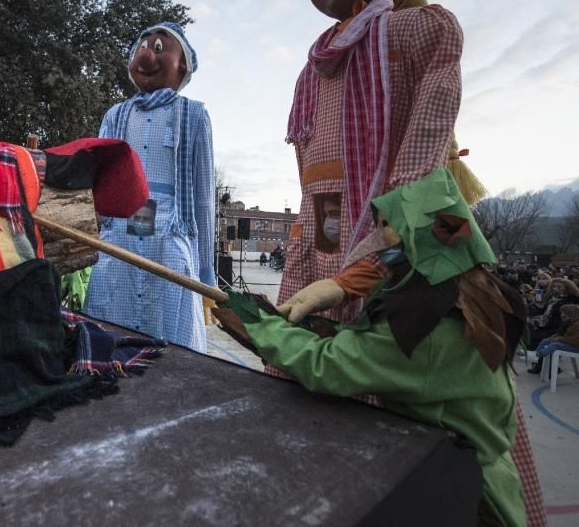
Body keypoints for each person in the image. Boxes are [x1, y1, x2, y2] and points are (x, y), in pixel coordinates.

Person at [271, 0, 546, 524]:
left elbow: (421, 165)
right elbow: (311, 178)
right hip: (323, 247)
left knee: (414, 428)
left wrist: (359, 270)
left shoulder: (427, 28)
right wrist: (309, 265)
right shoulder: (315, 66)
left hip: (411, 252)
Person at [213, 169, 528, 525]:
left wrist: (262, 327)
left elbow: (327, 367)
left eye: (391, 236)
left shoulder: (429, 325)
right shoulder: (473, 295)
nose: (382, 251)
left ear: (418, 241)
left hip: (463, 495)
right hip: (468, 467)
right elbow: (384, 354)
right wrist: (329, 330)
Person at [83, 22, 214, 352]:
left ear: (182, 64)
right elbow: (98, 179)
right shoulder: (116, 115)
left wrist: (206, 275)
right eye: (140, 46)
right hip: (119, 237)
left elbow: (204, 198)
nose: (145, 53)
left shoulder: (195, 116)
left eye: (158, 47)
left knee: (172, 341)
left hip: (171, 236)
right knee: (110, 328)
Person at [527, 305, 579, 375]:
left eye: (564, 314)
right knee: (546, 341)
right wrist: (555, 337)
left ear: (572, 314)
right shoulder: (570, 323)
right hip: (569, 344)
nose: (562, 315)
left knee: (555, 345)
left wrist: (561, 339)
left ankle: (538, 354)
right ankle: (536, 355)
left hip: (577, 347)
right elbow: (562, 334)